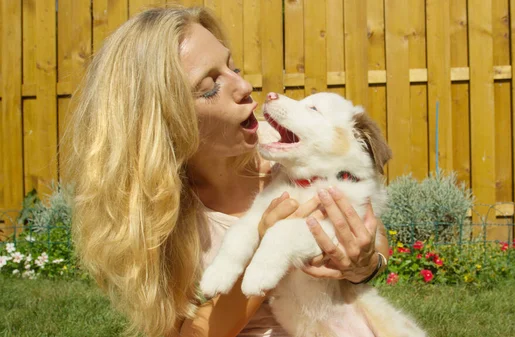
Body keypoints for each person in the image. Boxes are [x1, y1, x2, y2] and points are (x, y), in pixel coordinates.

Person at [64, 6, 389, 337]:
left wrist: (365, 264)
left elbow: (369, 234)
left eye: (233, 66)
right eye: (210, 85)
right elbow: (186, 333)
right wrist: (267, 253)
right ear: (165, 121)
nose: (244, 86)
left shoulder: (289, 146)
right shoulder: (156, 211)